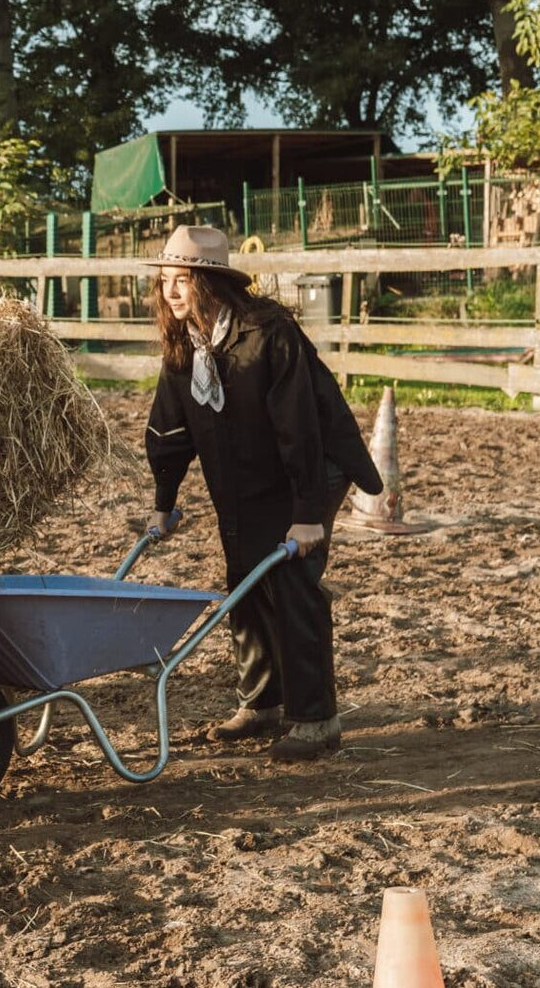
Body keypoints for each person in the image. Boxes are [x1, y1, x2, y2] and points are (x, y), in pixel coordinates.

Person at [141, 225, 381, 762]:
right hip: (246, 469)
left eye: (182, 280)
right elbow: (170, 430)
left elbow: (300, 426)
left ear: (210, 284)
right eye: (165, 281)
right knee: (244, 573)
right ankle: (263, 702)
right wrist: (164, 501)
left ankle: (317, 722)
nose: (171, 292)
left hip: (311, 465)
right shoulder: (186, 347)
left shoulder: (268, 333)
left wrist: (306, 513)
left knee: (292, 581)